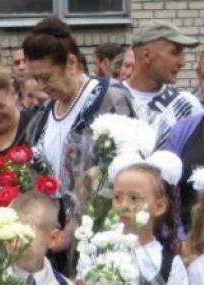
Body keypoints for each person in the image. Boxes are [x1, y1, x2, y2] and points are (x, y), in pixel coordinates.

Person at [22, 17, 135, 229]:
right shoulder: (44, 114)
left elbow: (127, 173)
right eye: (36, 79)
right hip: (54, 236)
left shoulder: (110, 98)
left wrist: (76, 224)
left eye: (46, 77)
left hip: (102, 233)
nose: (41, 85)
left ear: (71, 64)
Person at [123, 21, 202, 147]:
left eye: (183, 54)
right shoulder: (110, 99)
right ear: (147, 55)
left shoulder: (188, 106)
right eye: (175, 52)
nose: (182, 62)